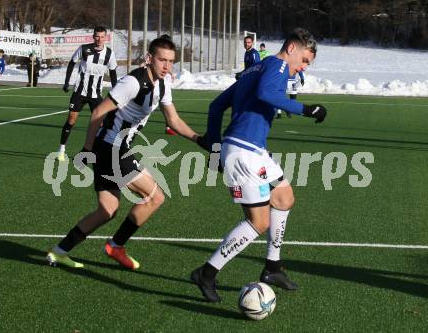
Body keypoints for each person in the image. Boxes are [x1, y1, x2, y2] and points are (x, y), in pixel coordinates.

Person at [47, 36, 208, 270]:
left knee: (107, 211)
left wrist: (198, 139)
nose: (167, 66)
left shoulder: (164, 84)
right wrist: (87, 149)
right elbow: (98, 112)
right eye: (162, 60)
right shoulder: (133, 82)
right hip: (110, 148)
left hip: (114, 148)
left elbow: (172, 119)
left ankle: (59, 251)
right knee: (156, 197)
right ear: (149, 58)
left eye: (171, 61)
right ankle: (116, 246)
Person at [191, 28, 327, 303]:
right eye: (303, 61)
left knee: (284, 197)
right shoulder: (276, 65)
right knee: (258, 223)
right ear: (291, 48)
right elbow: (267, 94)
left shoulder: (255, 68)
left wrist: (216, 148)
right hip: (244, 154)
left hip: (252, 151)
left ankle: (272, 268)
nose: (302, 68)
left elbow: (216, 106)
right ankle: (207, 273)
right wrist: (305, 109)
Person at [57, 26, 118, 162]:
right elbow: (72, 63)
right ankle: (61, 150)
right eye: (97, 36)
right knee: (71, 120)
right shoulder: (84, 49)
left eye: (102, 37)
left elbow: (113, 74)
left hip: (96, 94)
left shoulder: (110, 54)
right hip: (79, 91)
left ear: (105, 38)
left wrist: (116, 92)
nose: (99, 39)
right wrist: (67, 82)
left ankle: (93, 152)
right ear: (93, 36)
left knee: (100, 124)